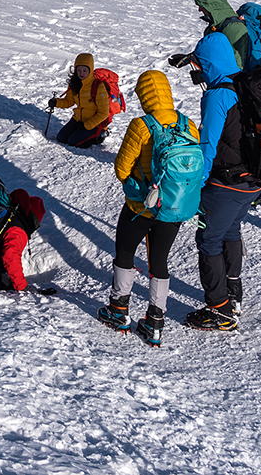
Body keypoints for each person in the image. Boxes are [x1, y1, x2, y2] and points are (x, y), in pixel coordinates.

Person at [99, 70, 187, 346]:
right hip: (173, 208)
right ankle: (155, 323)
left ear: (144, 96)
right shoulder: (188, 124)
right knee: (159, 262)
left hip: (140, 207)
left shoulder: (142, 125)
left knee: (125, 253)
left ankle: (119, 311)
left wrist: (140, 186)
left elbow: (121, 168)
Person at [183, 31, 261, 331]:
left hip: (226, 182)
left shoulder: (218, 96)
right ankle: (234, 295)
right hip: (253, 180)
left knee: (208, 239)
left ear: (209, 64)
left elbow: (208, 146)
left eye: (200, 67)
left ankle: (220, 309)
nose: (198, 74)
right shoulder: (247, 84)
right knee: (230, 230)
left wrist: (196, 184)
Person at [169, 0, 250, 72]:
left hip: (230, 84)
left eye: (202, 5)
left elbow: (239, 68)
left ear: (212, 5)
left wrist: (207, 76)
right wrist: (190, 59)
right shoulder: (214, 27)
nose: (200, 9)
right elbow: (215, 57)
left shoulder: (235, 29)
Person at [49, 52, 112, 147]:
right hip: (78, 120)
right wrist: (56, 102)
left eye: (84, 70)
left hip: (95, 124)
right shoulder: (75, 83)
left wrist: (87, 125)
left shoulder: (98, 86)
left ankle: (101, 135)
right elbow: (69, 101)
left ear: (90, 70)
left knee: (73, 142)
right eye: (79, 70)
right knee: (61, 138)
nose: (81, 73)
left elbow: (103, 113)